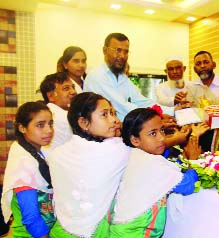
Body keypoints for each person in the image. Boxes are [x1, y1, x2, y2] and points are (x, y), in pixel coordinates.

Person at [48, 92, 129, 237]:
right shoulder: (117, 150)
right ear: (84, 123)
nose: (114, 120)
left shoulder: (57, 154)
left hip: (61, 231)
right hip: (97, 232)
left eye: (113, 113)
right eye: (105, 115)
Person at [110, 108, 198, 237]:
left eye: (162, 130)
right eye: (153, 133)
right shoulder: (150, 162)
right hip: (135, 232)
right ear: (135, 140)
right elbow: (188, 185)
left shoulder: (132, 153)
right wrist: (193, 161)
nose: (162, 138)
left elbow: (166, 165)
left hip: (123, 230)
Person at [84, 32, 174, 121]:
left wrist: (173, 111)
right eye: (118, 50)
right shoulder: (97, 76)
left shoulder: (122, 77)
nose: (122, 56)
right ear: (105, 50)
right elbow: (122, 106)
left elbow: (141, 101)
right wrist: (156, 117)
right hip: (102, 134)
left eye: (126, 52)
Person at [1, 101, 55, 237]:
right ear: (22, 128)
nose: (49, 130)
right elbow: (31, 218)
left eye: (50, 124)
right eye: (40, 125)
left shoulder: (37, 154)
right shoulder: (24, 164)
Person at [40, 72, 77, 151]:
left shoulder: (46, 110)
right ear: (51, 96)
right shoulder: (62, 116)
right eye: (66, 88)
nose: (73, 92)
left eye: (73, 87)